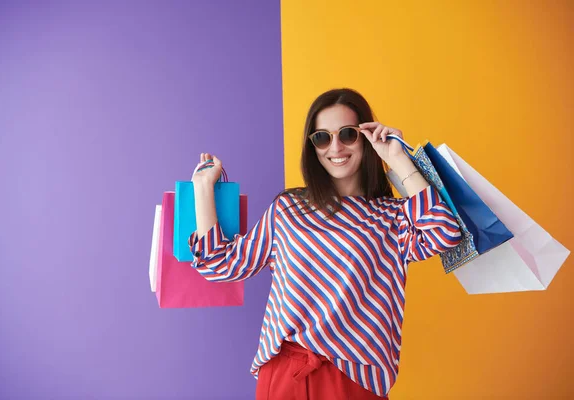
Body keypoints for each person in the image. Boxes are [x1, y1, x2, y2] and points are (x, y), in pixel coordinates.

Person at [189, 88, 462, 400]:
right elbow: (220, 264)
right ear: (312, 146)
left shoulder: (393, 217)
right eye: (322, 137)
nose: (336, 147)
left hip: (355, 379)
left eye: (347, 134)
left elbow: (445, 232)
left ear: (366, 138)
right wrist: (202, 189)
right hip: (284, 373)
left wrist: (398, 158)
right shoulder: (288, 209)